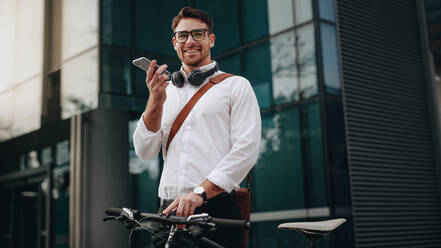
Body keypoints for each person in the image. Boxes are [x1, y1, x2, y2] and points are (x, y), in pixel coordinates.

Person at [133, 6, 261, 247]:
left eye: (198, 34)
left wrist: (199, 193)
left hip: (215, 208)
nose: (189, 41)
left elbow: (247, 149)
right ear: (174, 43)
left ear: (210, 39)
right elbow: (144, 150)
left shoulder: (236, 86)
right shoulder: (163, 92)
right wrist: (155, 101)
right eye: (183, 35)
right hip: (168, 210)